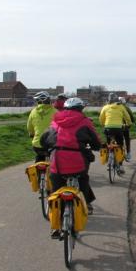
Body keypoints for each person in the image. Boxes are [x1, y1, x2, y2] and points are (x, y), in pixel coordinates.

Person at [40, 97, 101, 232]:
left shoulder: (56, 121)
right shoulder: (85, 121)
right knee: (83, 178)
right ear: (81, 109)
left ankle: (56, 224)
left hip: (57, 161)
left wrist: (48, 148)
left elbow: (44, 139)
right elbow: (96, 141)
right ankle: (86, 204)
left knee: (56, 187)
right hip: (78, 161)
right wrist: (97, 146)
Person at [99, 93, 132, 173]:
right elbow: (127, 117)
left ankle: (108, 162)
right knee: (120, 146)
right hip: (118, 129)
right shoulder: (121, 107)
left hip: (108, 128)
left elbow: (101, 118)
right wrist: (129, 124)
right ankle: (120, 165)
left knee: (108, 144)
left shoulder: (105, 107)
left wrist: (104, 125)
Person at [27, 91, 55, 162]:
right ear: (49, 100)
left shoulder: (33, 112)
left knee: (39, 157)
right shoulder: (56, 112)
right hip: (51, 144)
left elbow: (29, 126)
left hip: (37, 144)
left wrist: (31, 134)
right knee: (54, 161)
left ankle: (37, 171)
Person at [119, 97, 135, 161]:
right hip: (124, 126)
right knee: (127, 138)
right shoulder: (126, 108)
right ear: (124, 102)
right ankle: (128, 153)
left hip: (113, 126)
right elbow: (131, 116)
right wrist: (132, 122)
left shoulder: (112, 107)